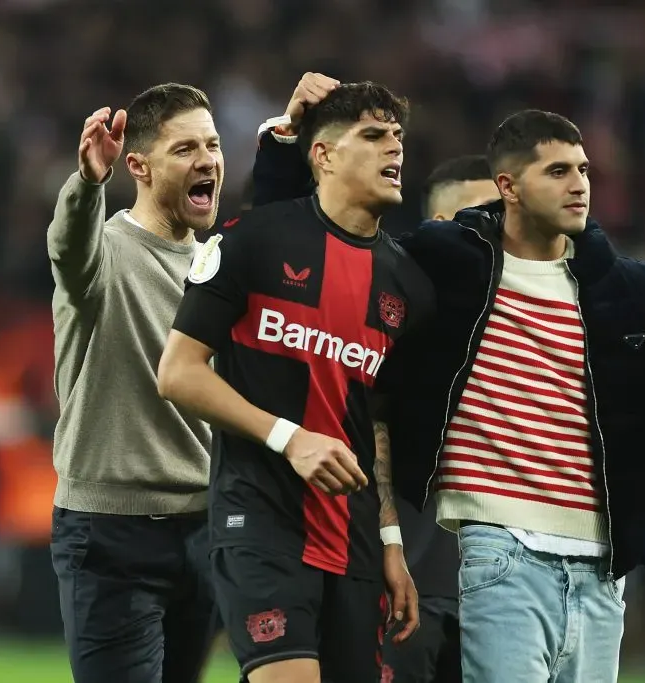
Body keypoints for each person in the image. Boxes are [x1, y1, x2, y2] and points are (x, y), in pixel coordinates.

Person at [249, 108, 645, 683]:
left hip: (603, 567)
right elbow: (316, 255)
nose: (580, 182)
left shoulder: (636, 292)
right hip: (498, 550)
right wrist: (283, 151)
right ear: (509, 187)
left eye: (583, 169)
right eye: (557, 171)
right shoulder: (443, 267)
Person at [156, 81, 433, 683]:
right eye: (373, 135)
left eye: (398, 137)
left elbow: (375, 424)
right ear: (324, 155)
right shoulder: (252, 240)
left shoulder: (406, 284)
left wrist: (390, 540)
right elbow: (177, 373)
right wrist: (290, 438)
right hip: (260, 520)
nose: (395, 148)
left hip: (356, 537)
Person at [46, 80, 298, 683]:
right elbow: (68, 247)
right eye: (185, 149)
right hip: (112, 534)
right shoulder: (104, 255)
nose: (207, 159)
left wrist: (288, 141)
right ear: (138, 165)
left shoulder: (219, 265)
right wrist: (87, 184)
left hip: (208, 527)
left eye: (212, 145)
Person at [380, 155, 498, 683]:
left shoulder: (534, 325)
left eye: (493, 220)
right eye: (465, 221)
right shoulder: (386, 321)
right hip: (408, 583)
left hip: (503, 598)